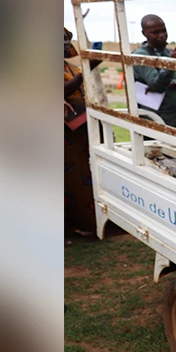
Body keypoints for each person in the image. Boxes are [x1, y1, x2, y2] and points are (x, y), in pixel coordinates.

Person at [64, 27, 102, 236]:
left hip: (80, 128)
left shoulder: (70, 67)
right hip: (64, 133)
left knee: (85, 175)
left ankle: (88, 222)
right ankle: (73, 225)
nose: (64, 44)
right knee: (70, 178)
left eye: (66, 39)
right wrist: (85, 72)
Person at [131, 14, 176, 129]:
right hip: (153, 121)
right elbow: (157, 85)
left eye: (164, 31)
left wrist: (174, 84)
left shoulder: (171, 53)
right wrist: (171, 63)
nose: (162, 35)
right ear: (144, 33)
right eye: (155, 32)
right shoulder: (141, 56)